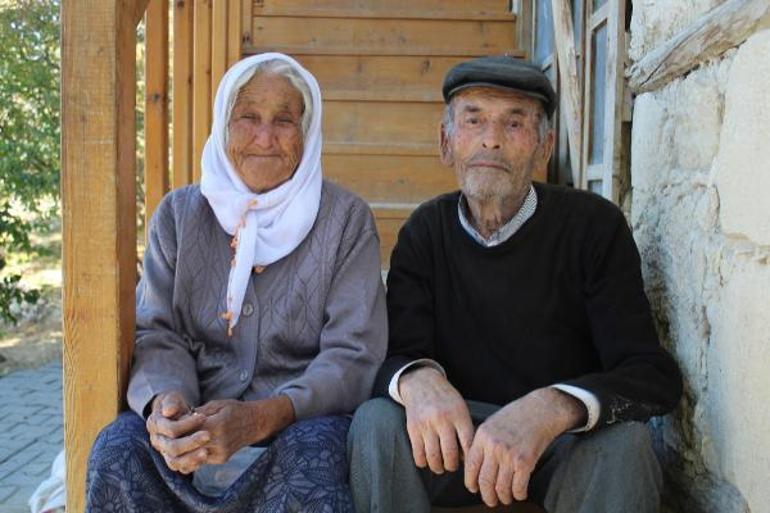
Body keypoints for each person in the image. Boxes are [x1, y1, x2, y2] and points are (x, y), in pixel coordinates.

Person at [348, 55, 682, 513]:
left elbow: (650, 375)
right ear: (446, 143)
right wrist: (418, 379)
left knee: (628, 444)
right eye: (474, 120)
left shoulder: (594, 228)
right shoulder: (425, 232)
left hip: (560, 446)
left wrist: (552, 406)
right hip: (457, 446)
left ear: (544, 147)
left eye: (514, 123)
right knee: (376, 423)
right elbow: (392, 354)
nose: (491, 139)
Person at [85, 52, 387, 512]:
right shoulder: (179, 216)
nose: (265, 138)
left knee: (317, 462)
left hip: (298, 426)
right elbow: (157, 331)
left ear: (307, 134)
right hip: (196, 421)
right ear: (223, 126)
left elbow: (353, 355)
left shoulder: (345, 222)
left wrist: (265, 416)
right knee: (118, 448)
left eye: (284, 121)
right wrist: (170, 408)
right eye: (248, 117)